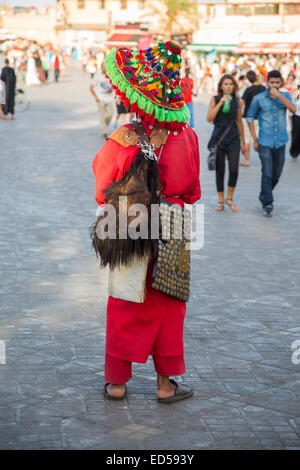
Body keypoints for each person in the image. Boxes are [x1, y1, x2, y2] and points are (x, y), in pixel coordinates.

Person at [92, 40, 200, 402]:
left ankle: (117, 381)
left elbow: (102, 186)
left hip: (129, 221)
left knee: (125, 299)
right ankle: (166, 384)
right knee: (169, 302)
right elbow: (193, 191)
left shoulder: (124, 138)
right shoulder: (189, 137)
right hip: (173, 224)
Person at [247, 70, 296, 217]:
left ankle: (264, 194)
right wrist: (254, 139)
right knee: (267, 173)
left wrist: (279, 95)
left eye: (277, 82)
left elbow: (294, 110)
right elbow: (250, 118)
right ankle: (268, 203)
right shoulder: (259, 98)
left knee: (277, 173)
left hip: (281, 141)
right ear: (267, 83)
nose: (274, 85)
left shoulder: (285, 96)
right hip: (264, 141)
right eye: (272, 82)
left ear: (280, 83)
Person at [207, 74, 246, 212]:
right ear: (221, 87)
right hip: (219, 140)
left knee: (234, 169)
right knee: (220, 170)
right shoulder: (215, 99)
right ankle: (221, 201)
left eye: (231, 84)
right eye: (225, 84)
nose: (228, 86)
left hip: (234, 139)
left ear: (234, 86)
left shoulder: (238, 101)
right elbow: (209, 118)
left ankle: (229, 198)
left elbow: (239, 121)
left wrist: (243, 142)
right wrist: (221, 103)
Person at [240, 70, 265, 166]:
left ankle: (247, 160)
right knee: (260, 138)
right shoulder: (263, 89)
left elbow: (241, 103)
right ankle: (264, 158)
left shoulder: (248, 90)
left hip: (247, 116)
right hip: (260, 117)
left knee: (246, 138)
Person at [90, 63, 114, 140]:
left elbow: (114, 85)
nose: (105, 69)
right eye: (103, 67)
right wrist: (96, 97)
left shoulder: (111, 76)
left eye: (106, 67)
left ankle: (103, 125)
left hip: (109, 98)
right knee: (101, 115)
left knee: (110, 114)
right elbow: (91, 87)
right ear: (101, 68)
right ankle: (104, 131)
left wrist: (112, 89)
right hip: (100, 98)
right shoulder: (97, 76)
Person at [290, 85, 300, 159]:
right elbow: (290, 101)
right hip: (297, 116)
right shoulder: (296, 91)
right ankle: (294, 151)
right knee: (296, 135)